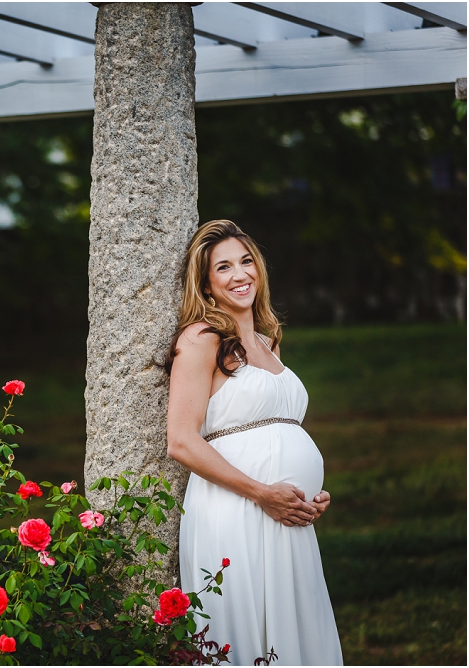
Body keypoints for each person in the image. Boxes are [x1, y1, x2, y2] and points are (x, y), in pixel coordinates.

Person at [165, 219, 343, 665]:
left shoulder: (267, 342)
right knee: (248, 635)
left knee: (293, 631)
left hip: (286, 517)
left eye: (247, 261)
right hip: (236, 510)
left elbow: (279, 429)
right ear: (206, 284)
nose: (240, 274)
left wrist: (309, 496)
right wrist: (263, 492)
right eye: (223, 267)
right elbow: (182, 441)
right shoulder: (203, 338)